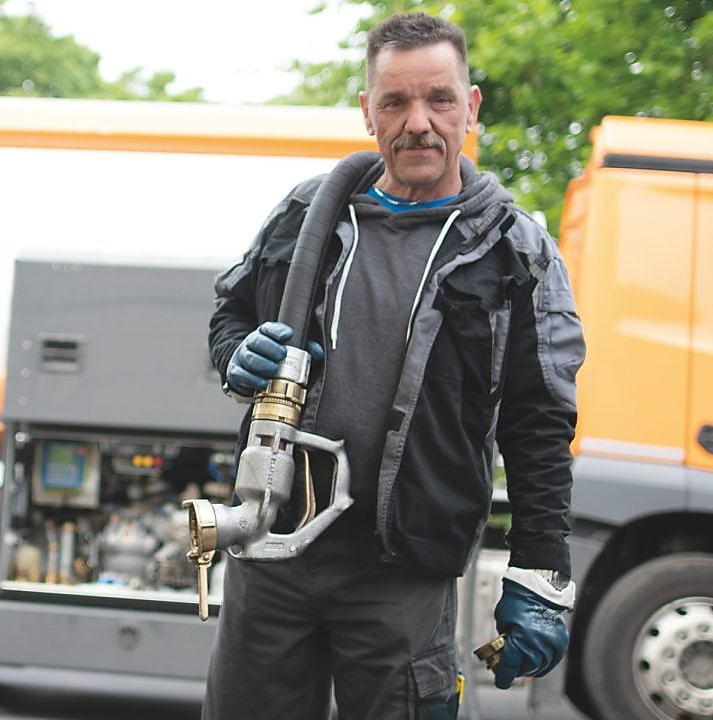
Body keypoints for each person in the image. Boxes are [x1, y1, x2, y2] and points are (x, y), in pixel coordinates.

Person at [204, 11, 584, 719]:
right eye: (395, 102)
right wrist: (236, 358)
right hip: (271, 546)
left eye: (439, 99)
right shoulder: (306, 214)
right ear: (366, 112)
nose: (418, 123)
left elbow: (539, 424)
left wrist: (542, 571)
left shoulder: (515, 253)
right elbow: (230, 315)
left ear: (470, 106)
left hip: (402, 568)